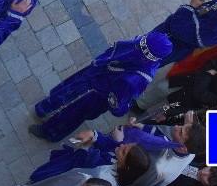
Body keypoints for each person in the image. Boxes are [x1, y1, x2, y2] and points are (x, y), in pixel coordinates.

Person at [29, 33, 173, 141]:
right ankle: (45, 108)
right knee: (67, 90)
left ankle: (50, 131)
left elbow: (118, 103)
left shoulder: (136, 78)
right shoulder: (142, 45)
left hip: (95, 94)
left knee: (72, 112)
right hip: (94, 74)